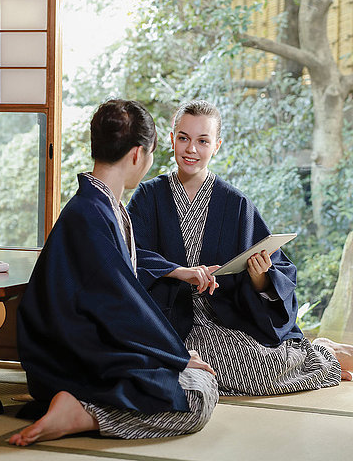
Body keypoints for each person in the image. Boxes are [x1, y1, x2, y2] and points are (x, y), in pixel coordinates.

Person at [9, 99, 219, 447]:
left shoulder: (98, 205)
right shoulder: (91, 213)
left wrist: (174, 352)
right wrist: (178, 355)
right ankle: (82, 414)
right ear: (138, 154)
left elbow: (120, 284)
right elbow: (120, 303)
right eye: (151, 153)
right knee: (196, 397)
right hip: (72, 359)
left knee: (193, 379)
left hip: (86, 344)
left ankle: (81, 410)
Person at [128, 100, 353, 397]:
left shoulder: (234, 203)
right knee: (188, 372)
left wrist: (260, 277)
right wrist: (179, 272)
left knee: (258, 371)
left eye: (203, 141)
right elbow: (131, 254)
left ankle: (321, 353)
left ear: (217, 145)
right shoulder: (148, 196)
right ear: (171, 139)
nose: (191, 149)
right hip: (168, 318)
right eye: (183, 138)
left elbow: (274, 265)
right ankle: (320, 352)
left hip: (221, 315)